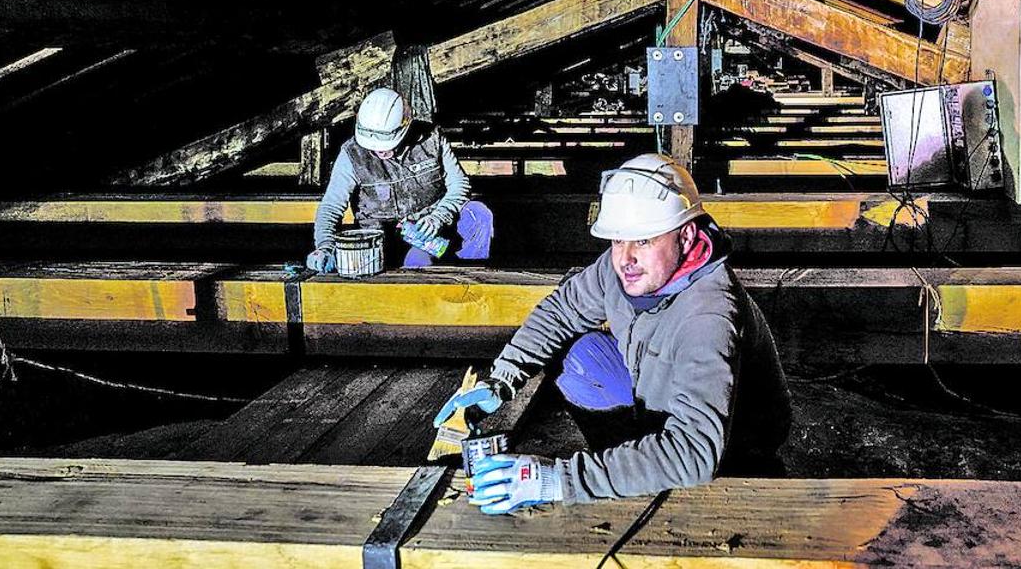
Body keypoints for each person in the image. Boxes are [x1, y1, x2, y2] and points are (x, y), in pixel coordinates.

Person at [433, 153, 790, 514]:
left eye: (644, 241)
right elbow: (561, 311)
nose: (625, 258)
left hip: (729, 453)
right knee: (578, 353)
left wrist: (557, 480)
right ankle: (632, 464)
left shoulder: (708, 315)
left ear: (685, 235)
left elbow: (695, 451)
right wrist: (502, 379)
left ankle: (646, 472)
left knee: (684, 465)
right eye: (618, 240)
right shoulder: (626, 267)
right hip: (655, 406)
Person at [306, 87, 493, 272]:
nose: (379, 151)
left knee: (477, 214)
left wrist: (438, 217)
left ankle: (471, 281)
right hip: (380, 239)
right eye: (373, 147)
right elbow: (331, 206)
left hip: (433, 230)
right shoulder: (351, 154)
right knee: (416, 264)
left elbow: (459, 185)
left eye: (387, 144)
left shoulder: (432, 139)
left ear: (405, 126)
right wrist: (325, 246)